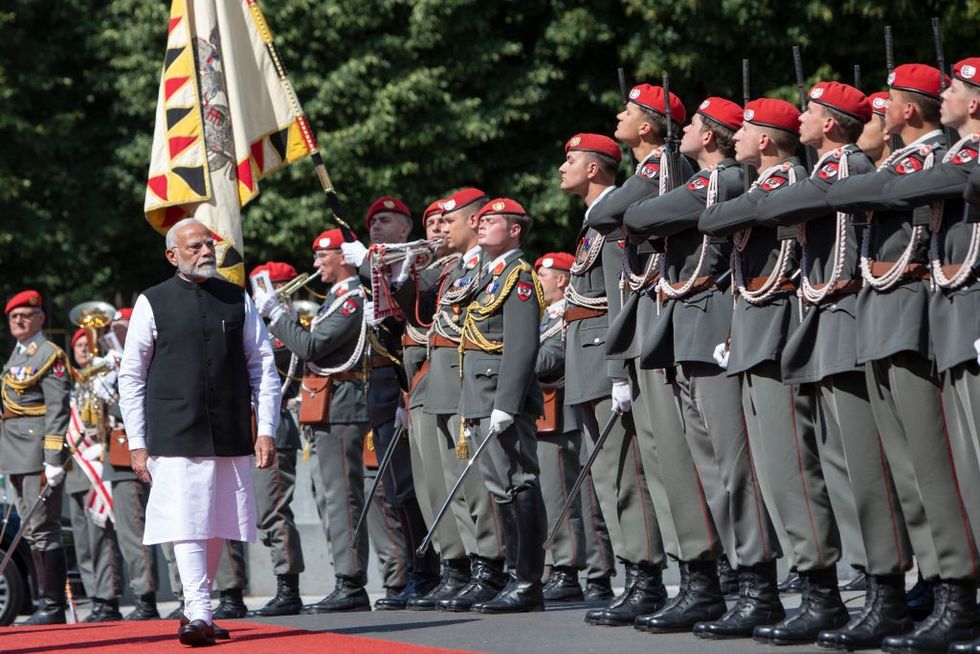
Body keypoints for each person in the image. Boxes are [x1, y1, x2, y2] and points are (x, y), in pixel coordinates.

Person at [753, 82, 915, 646]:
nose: (799, 120)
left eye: (811, 113)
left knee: (859, 471)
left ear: (830, 124)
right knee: (838, 465)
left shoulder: (842, 166)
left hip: (843, 318)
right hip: (822, 320)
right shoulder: (830, 166)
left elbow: (777, 207)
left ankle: (885, 594)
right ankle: (857, 594)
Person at [826, 63, 979, 654]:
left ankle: (956, 595)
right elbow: (850, 192)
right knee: (911, 474)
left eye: (956, 92)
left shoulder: (940, 158)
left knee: (942, 472)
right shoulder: (926, 160)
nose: (876, 113)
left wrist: (880, 176)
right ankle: (939, 590)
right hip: (900, 319)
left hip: (929, 321)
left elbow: (875, 191)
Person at [118, 218, 280, 646]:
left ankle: (196, 608)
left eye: (209, 244)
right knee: (187, 521)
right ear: (172, 255)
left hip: (228, 427)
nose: (206, 251)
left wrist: (266, 428)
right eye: (194, 246)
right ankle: (202, 612)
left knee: (216, 521)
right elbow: (131, 376)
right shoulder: (152, 302)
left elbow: (263, 366)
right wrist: (137, 443)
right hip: (174, 430)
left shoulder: (236, 298)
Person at [622, 96, 747, 634]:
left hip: (711, 325)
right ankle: (708, 582)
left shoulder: (724, 181)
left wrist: (669, 199)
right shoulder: (694, 184)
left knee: (728, 468)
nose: (685, 134)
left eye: (695, 126)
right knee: (694, 468)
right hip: (680, 326)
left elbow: (636, 214)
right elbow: (636, 217)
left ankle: (747, 579)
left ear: (712, 136)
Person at [697, 97, 808, 639]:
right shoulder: (760, 186)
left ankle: (817, 593)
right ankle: (765, 592)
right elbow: (713, 221)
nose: (733, 136)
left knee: (791, 475)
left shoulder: (788, 181)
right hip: (748, 333)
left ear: (765, 140)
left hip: (777, 336)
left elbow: (715, 218)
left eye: (744, 129)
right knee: (765, 472)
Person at [589, 83, 699, 627]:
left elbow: (605, 213)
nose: (619, 115)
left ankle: (701, 578)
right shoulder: (648, 174)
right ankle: (682, 580)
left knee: (673, 462)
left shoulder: (663, 171)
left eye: (629, 111)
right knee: (657, 463)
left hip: (665, 324)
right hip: (646, 326)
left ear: (652, 126)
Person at [395, 188, 508, 613]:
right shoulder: (452, 270)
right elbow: (411, 311)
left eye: (450, 221)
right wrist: (401, 272)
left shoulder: (483, 266)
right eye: (435, 223)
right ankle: (460, 568)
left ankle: (489, 565)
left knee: (473, 483)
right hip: (434, 380)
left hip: (467, 381)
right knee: (443, 486)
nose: (441, 230)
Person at [256, 227, 372, 613]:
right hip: (325, 405)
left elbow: (310, 346)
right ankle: (345, 577)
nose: (316, 263)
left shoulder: (352, 299)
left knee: (343, 498)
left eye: (324, 256)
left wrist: (275, 314)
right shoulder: (336, 300)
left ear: (343, 257)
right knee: (329, 497)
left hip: (341, 404)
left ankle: (351, 581)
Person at [342, 196, 441, 609]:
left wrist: (368, 264)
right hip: (382, 386)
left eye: (385, 221)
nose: (376, 228)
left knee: (422, 487)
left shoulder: (416, 263)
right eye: (373, 223)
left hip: (409, 381)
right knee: (399, 489)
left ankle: (432, 572)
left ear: (405, 227)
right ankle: (416, 575)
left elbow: (412, 321)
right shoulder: (375, 270)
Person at [456, 197, 545, 613]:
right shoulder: (486, 275)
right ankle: (514, 574)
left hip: (499, 398)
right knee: (500, 488)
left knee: (518, 482)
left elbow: (523, 344)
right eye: (482, 219)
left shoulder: (519, 274)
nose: (482, 225)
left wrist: (507, 402)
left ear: (514, 229)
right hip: (479, 396)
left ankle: (527, 582)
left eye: (492, 221)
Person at [238, 262, 307, 617]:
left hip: (273, 427)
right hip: (243, 427)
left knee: (273, 510)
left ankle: (287, 585)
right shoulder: (255, 329)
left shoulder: (288, 330)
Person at [1, 289, 71, 625]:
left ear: (40, 318)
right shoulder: (18, 355)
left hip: (36, 452)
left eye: (25, 315)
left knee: (43, 528)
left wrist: (54, 458)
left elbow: (57, 410)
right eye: (13, 316)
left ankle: (52, 605)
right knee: (29, 531)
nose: (18, 320)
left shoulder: (49, 354)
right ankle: (44, 601)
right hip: (14, 451)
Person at [98, 307, 163, 621]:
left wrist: (118, 385)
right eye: (115, 329)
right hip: (122, 449)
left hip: (156, 442)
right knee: (131, 529)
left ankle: (178, 593)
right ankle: (144, 594)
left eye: (123, 328)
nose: (117, 334)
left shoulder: (152, 356)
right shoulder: (108, 363)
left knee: (167, 522)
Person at [532, 252, 587, 602]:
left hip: (559, 411)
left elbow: (554, 357)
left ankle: (567, 569)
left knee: (559, 495)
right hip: (539, 412)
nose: (537, 281)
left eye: (543, 275)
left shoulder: (566, 314)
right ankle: (551, 565)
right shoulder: (540, 318)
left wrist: (515, 354)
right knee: (543, 496)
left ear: (563, 279)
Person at [66, 328, 124, 622]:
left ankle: (108, 598)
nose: (83, 349)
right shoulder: (73, 384)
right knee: (82, 543)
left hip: (97, 467)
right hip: (75, 470)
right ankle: (94, 598)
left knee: (101, 539)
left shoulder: (104, 378)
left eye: (87, 344)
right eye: (78, 345)